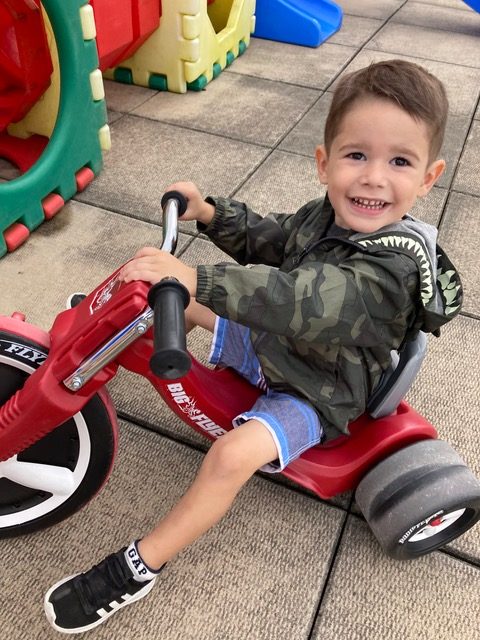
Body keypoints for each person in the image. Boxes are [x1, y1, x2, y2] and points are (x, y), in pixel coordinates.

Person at [44, 59, 462, 634]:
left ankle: (140, 565)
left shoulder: (391, 271)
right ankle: (109, 330)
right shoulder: (325, 216)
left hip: (318, 390)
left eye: (399, 162)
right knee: (159, 298)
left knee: (231, 457)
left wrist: (198, 279)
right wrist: (211, 213)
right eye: (356, 155)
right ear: (324, 163)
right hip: (280, 346)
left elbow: (297, 299)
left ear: (429, 177)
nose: (372, 178)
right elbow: (274, 241)